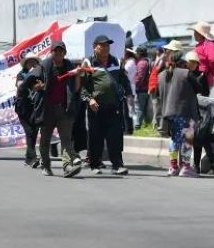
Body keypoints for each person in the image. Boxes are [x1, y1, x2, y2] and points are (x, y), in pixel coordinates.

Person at [27, 41, 85, 177]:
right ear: (51, 52)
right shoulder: (44, 66)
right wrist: (38, 86)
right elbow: (32, 84)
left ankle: (67, 167)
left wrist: (76, 75)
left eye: (61, 51)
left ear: (64, 53)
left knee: (66, 139)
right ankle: (46, 165)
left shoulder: (69, 66)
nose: (59, 53)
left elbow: (76, 89)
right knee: (45, 140)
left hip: (64, 109)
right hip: (47, 110)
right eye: (56, 51)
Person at [81, 35, 133, 175]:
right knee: (95, 137)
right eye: (102, 45)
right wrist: (89, 99)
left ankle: (117, 165)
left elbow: (124, 79)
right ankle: (95, 164)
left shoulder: (116, 61)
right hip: (95, 107)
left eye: (107, 45)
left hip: (114, 106)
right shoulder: (88, 62)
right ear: (95, 47)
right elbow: (83, 86)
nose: (105, 48)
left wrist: (129, 94)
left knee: (115, 136)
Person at [159, 50, 200, 177]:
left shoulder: (161, 75)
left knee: (174, 139)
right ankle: (186, 167)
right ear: (183, 62)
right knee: (187, 138)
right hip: (185, 112)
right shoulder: (186, 73)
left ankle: (173, 167)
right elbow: (199, 88)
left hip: (169, 113)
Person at [185, 51, 214, 173]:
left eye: (195, 63)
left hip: (201, 112)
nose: (193, 65)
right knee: (198, 138)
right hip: (189, 111)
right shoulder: (185, 74)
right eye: (191, 62)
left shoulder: (201, 76)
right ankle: (210, 163)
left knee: (200, 137)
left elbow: (204, 94)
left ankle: (197, 165)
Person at [15, 53, 41, 168]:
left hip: (34, 107)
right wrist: (29, 80)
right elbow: (20, 85)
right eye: (30, 62)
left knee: (34, 132)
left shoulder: (39, 76)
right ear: (25, 64)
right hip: (23, 108)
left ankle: (28, 158)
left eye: (34, 62)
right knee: (29, 132)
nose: (32, 64)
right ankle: (34, 158)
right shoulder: (21, 75)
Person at [188, 21, 214, 91]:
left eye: (195, 32)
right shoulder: (201, 44)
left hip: (203, 78)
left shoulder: (208, 44)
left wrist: (212, 71)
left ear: (201, 34)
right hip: (198, 77)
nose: (194, 34)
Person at [133, 46, 151, 129]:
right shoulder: (145, 61)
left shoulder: (142, 63)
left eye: (136, 53)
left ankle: (137, 125)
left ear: (139, 53)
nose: (135, 54)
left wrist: (136, 85)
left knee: (139, 108)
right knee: (142, 108)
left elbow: (140, 77)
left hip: (142, 89)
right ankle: (144, 124)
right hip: (144, 88)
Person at [123, 48, 137, 134]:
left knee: (128, 110)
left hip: (130, 89)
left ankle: (129, 129)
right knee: (127, 110)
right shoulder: (130, 62)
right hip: (129, 89)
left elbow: (124, 72)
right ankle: (128, 128)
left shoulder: (130, 62)